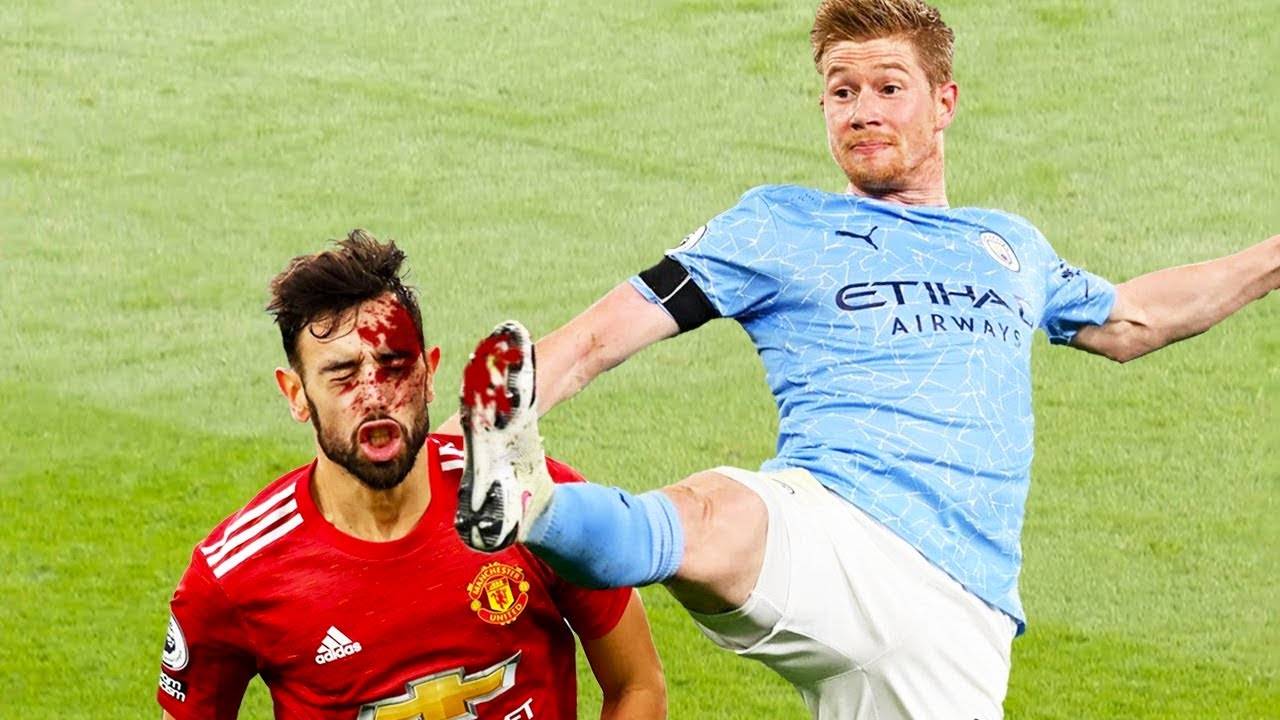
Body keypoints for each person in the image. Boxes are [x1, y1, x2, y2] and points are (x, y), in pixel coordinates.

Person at [447, 1, 1280, 718]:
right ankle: (528, 501)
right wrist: (464, 435)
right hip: (828, 526)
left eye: (888, 88)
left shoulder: (1009, 247)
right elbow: (598, 338)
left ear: (944, 102)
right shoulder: (776, 227)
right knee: (709, 514)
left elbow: (1133, 320)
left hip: (961, 606)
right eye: (842, 92)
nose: (862, 111)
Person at [156, 231, 666, 720]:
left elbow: (636, 684)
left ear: (429, 374)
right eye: (343, 375)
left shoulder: (531, 498)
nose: (375, 395)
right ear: (296, 395)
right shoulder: (233, 576)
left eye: (394, 365)